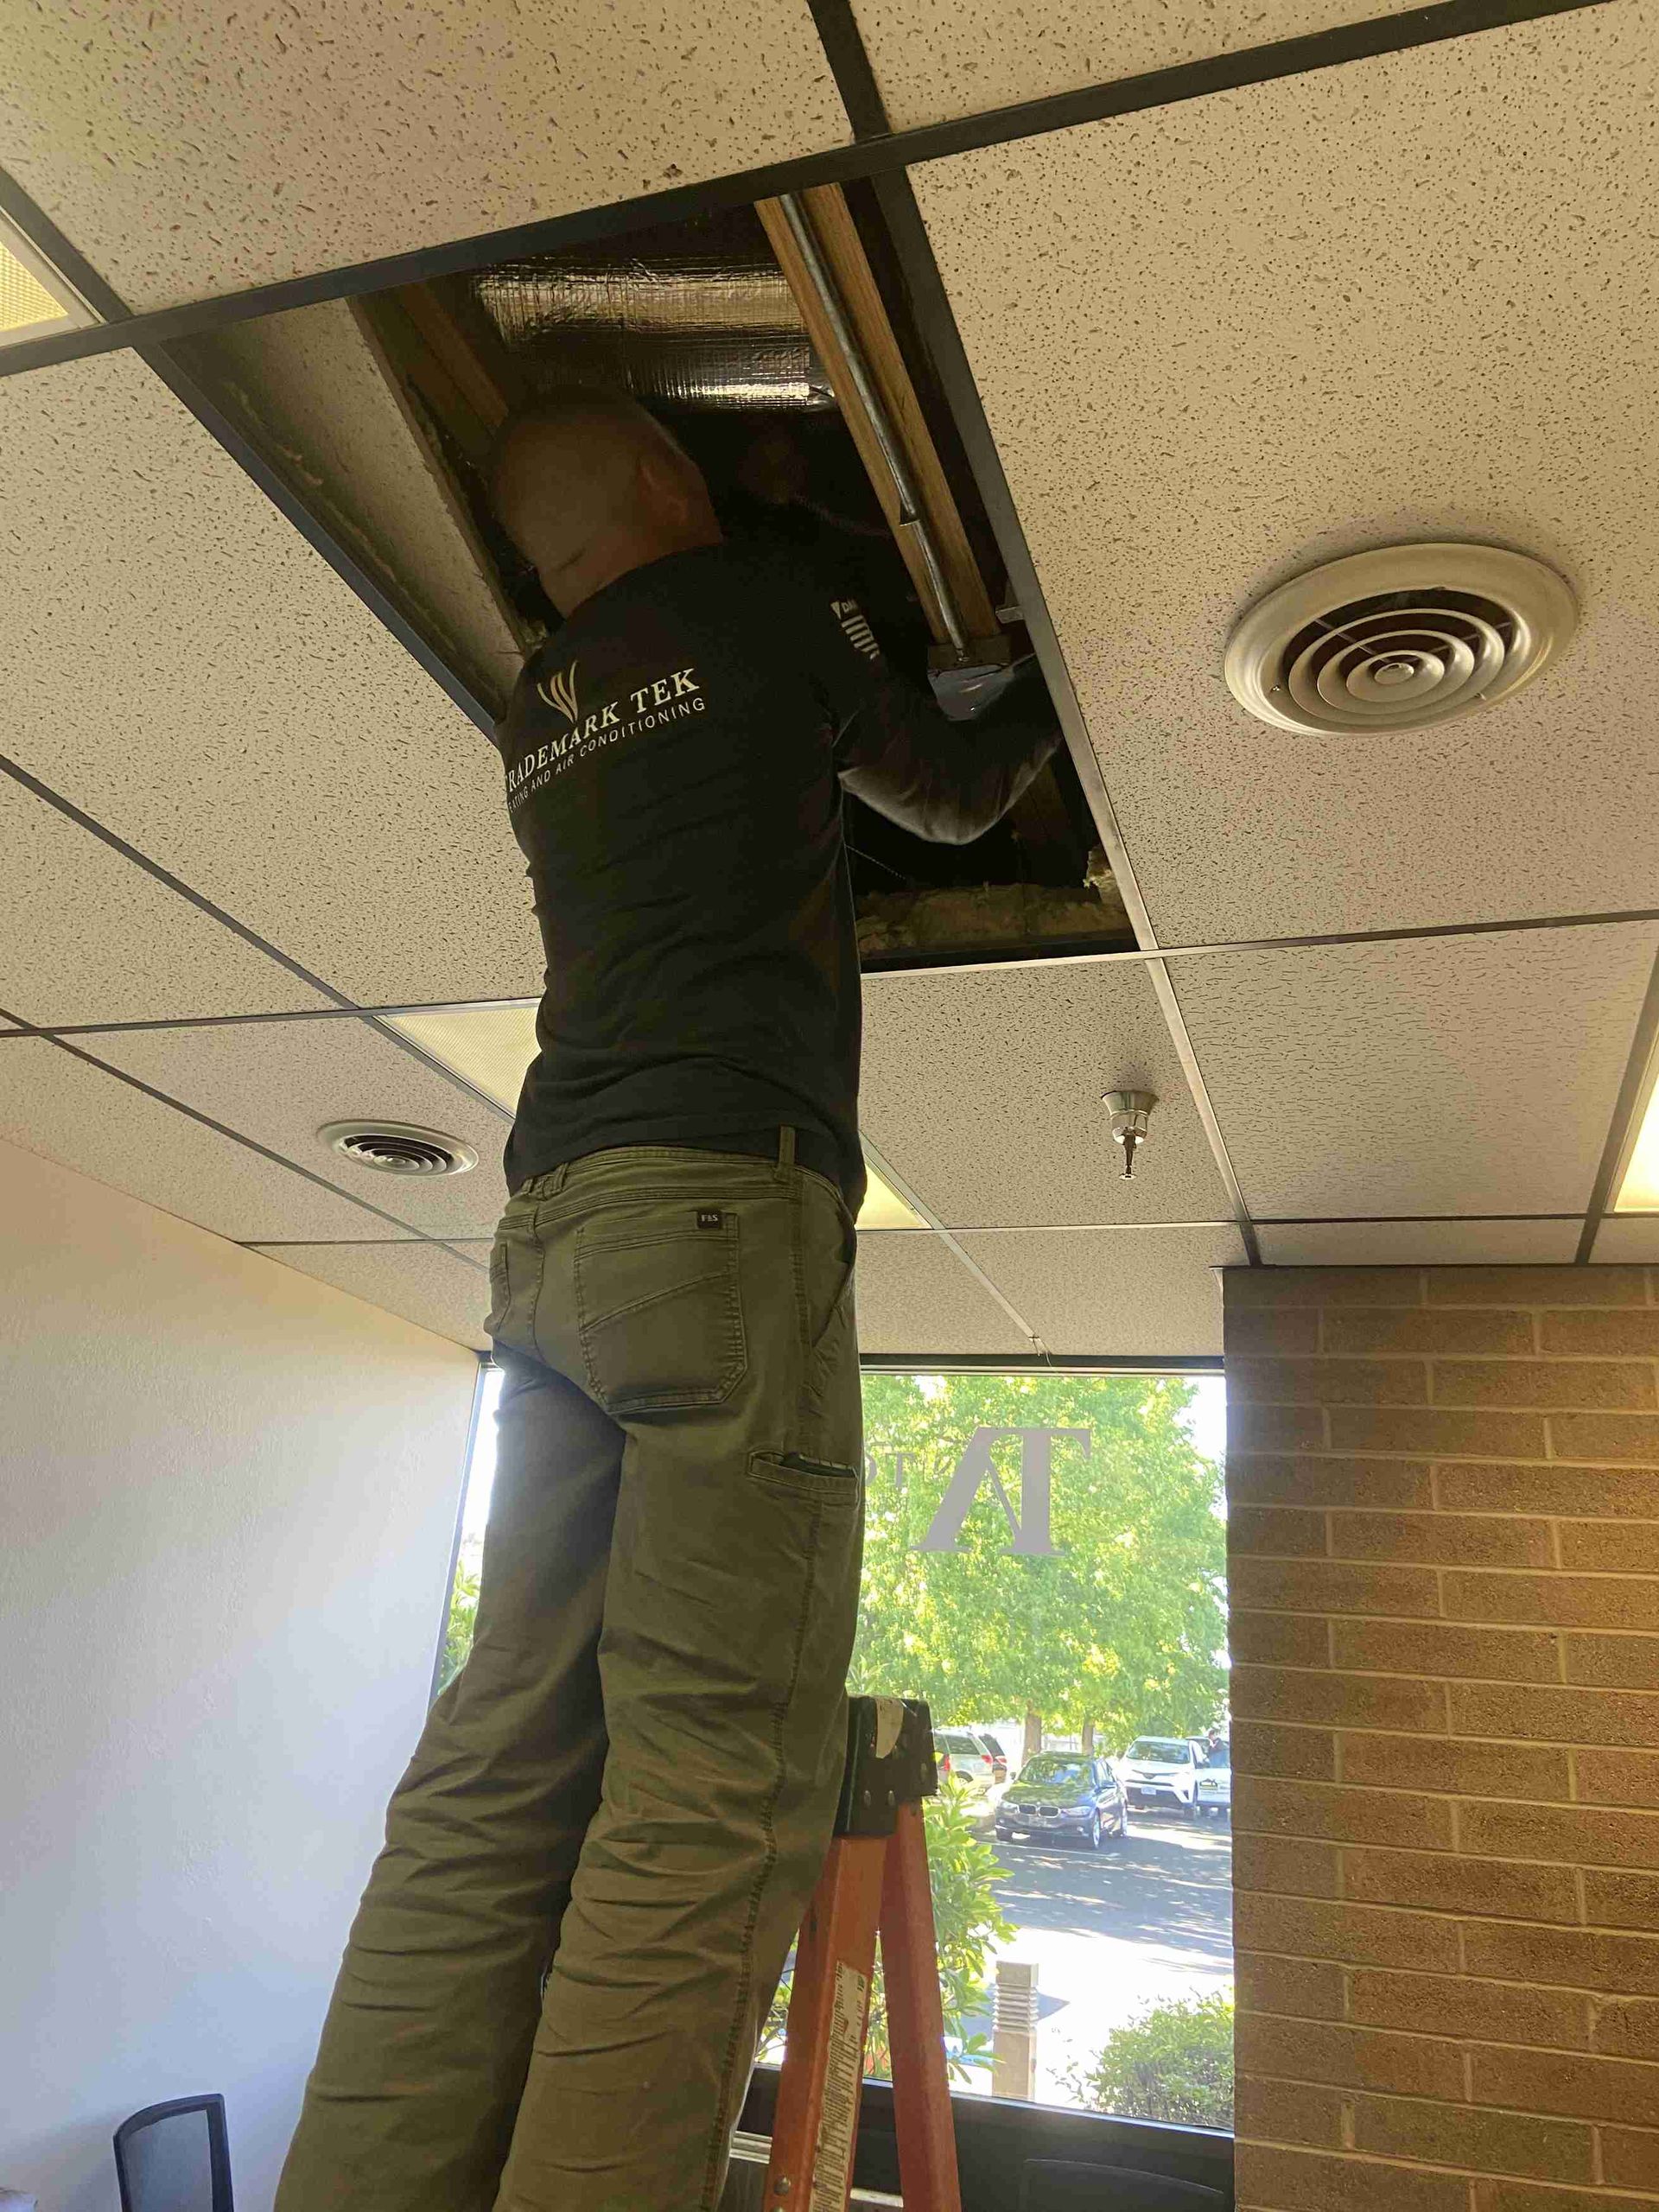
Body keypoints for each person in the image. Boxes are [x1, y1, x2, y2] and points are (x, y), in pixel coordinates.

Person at [276, 386, 1060, 2212]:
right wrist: (1058, 677)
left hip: (550, 1230)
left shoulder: (530, 706)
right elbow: (943, 795)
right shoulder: (755, 608)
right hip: (713, 1212)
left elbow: (718, 686)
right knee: (703, 1785)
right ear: (660, 482)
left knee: (499, 1758)